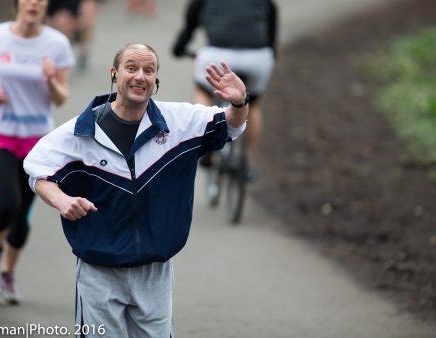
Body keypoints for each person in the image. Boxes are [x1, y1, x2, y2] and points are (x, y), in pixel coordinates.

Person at [23, 43, 248, 336]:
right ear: (114, 74)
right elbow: (37, 167)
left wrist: (239, 103)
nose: (140, 76)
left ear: (156, 81)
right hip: (98, 271)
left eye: (149, 70)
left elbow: (229, 127)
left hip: (154, 273)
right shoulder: (80, 132)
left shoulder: (178, 124)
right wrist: (61, 199)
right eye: (132, 68)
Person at [0, 0, 74, 305]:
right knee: (7, 205)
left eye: (40, 0)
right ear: (17, 4)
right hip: (1, 135)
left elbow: (61, 98)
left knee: (22, 217)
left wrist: (51, 80)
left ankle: (7, 276)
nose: (34, 4)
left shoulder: (57, 44)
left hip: (38, 143)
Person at [172, 0, 278, 176]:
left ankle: (205, 142)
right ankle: (248, 158)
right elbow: (271, 35)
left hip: (218, 54)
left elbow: (189, 28)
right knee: (253, 104)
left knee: (203, 89)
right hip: (258, 56)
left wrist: (179, 49)